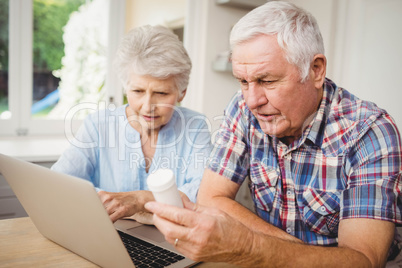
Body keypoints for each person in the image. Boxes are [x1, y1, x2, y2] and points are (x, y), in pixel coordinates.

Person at [145, 1, 402, 267]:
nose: (253, 100)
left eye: (267, 81)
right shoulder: (243, 108)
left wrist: (252, 246)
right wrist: (281, 252)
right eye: (243, 81)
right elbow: (211, 197)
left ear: (316, 70)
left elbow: (363, 261)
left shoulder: (371, 131)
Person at [52, 25, 211, 223]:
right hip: (109, 233)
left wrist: (140, 200)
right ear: (126, 87)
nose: (147, 107)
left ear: (182, 92)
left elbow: (203, 195)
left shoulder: (195, 127)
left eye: (161, 93)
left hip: (173, 240)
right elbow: (59, 183)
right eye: (137, 91)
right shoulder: (98, 125)